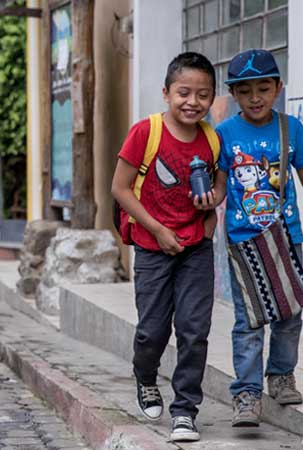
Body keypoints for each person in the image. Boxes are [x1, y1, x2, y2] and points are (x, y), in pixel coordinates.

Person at [210, 49, 303, 427]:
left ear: (278, 88)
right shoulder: (224, 134)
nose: (256, 98)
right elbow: (220, 188)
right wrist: (204, 201)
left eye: (264, 89)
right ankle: (247, 393)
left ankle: (281, 375)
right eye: (246, 91)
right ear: (234, 95)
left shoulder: (291, 129)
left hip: (286, 237)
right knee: (249, 320)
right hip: (243, 241)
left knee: (289, 313)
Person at [110, 52, 218, 443]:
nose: (192, 102)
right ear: (166, 93)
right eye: (183, 93)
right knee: (152, 331)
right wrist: (156, 229)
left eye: (202, 95)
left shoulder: (211, 137)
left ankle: (185, 411)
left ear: (211, 98)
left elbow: (219, 183)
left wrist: (211, 209)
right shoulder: (145, 132)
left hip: (195, 248)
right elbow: (119, 189)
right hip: (152, 246)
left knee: (194, 330)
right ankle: (145, 375)